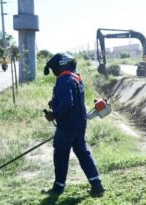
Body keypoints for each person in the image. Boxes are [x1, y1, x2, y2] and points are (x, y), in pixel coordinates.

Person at [43, 53, 104, 196]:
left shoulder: (63, 79)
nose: (54, 72)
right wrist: (55, 103)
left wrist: (54, 114)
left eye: (53, 69)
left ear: (60, 65)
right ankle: (97, 185)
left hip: (67, 126)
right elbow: (74, 101)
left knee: (60, 155)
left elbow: (67, 103)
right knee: (83, 153)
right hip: (80, 123)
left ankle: (58, 188)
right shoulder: (76, 77)